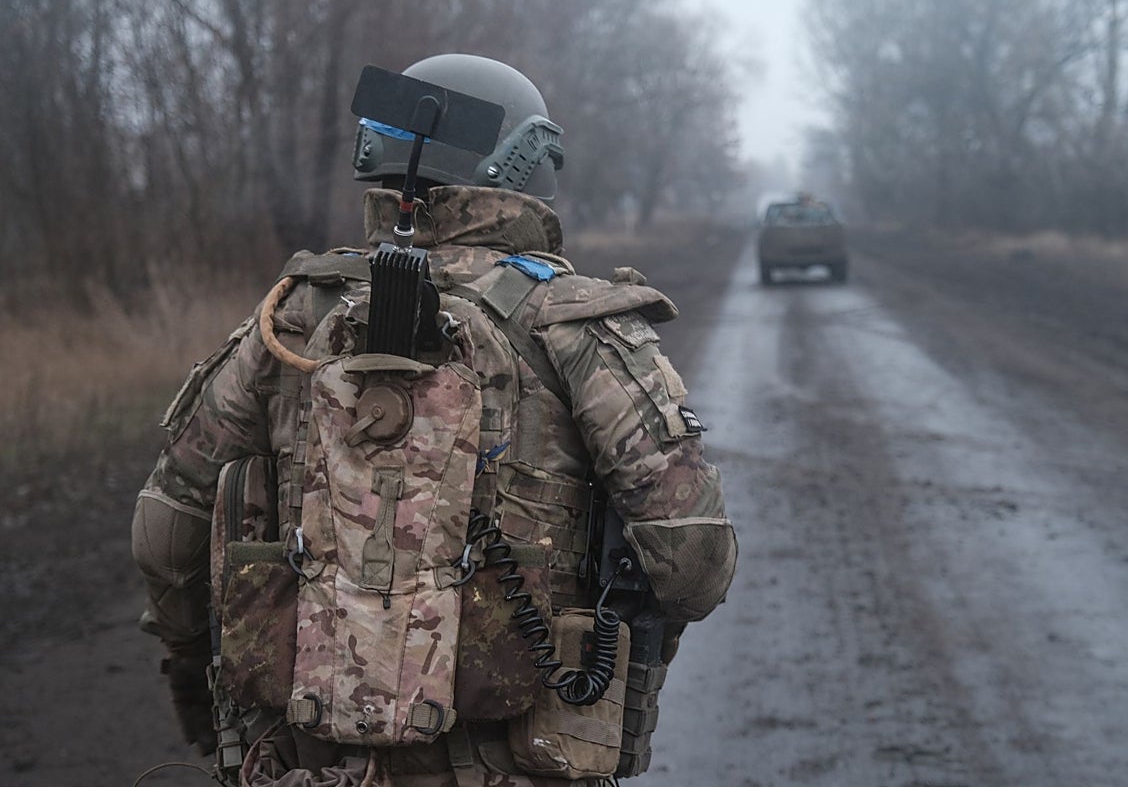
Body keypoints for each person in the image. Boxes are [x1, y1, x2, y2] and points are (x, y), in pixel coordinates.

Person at [131, 53, 736, 786]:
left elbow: (166, 538)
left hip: (300, 764)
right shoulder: (578, 325)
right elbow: (693, 566)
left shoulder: (289, 316)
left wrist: (208, 664)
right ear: (524, 163)